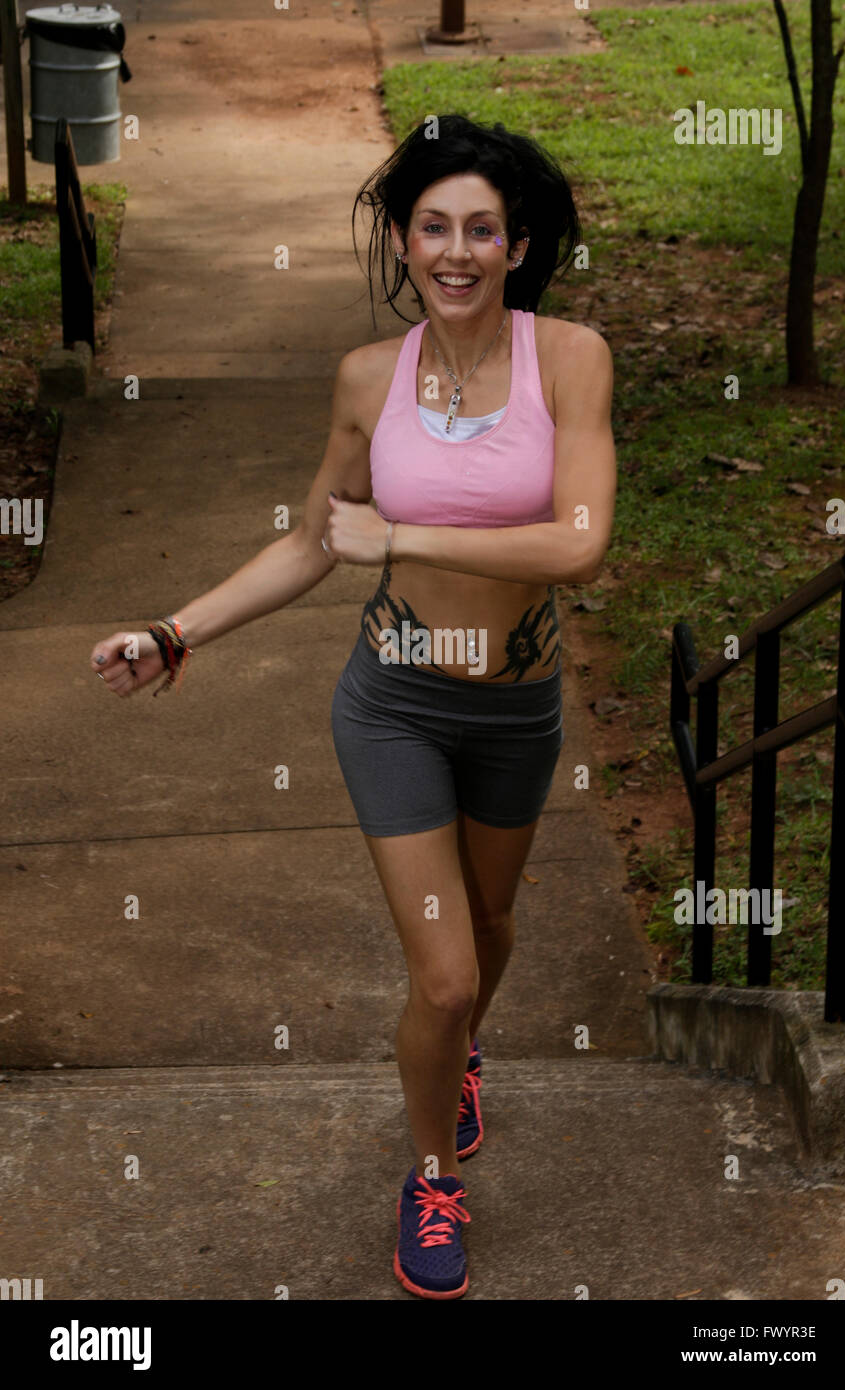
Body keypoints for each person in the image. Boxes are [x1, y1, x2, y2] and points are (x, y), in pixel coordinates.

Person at [89, 113, 616, 1300]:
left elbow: (579, 544)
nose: (457, 250)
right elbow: (312, 544)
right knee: (438, 975)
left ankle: (458, 1051)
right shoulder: (366, 380)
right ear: (401, 237)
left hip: (516, 707)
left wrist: (406, 528)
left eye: (483, 228)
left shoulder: (569, 359)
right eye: (433, 226)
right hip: (395, 705)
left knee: (486, 935)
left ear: (517, 244)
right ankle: (431, 1173)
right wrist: (176, 630)